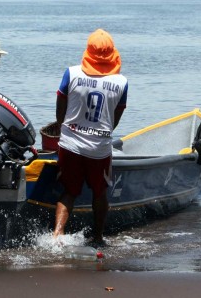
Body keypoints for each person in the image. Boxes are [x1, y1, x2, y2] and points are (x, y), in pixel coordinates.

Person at [52, 29, 128, 246]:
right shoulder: (122, 82)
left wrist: (62, 125)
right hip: (99, 148)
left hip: (70, 144)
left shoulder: (72, 73)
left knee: (69, 191)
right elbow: (115, 118)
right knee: (100, 192)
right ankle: (97, 237)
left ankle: (57, 236)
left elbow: (60, 105)